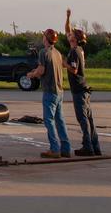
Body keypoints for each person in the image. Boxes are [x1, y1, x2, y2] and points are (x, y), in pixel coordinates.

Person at [27, 28, 72, 158]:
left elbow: (41, 70)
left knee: (49, 121)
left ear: (46, 38)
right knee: (60, 120)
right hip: (59, 91)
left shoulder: (43, 52)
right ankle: (66, 148)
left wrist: (31, 74)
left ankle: (54, 149)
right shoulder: (57, 53)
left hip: (49, 91)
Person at [65, 9, 101, 157]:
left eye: (72, 35)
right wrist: (68, 17)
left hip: (79, 89)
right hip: (84, 88)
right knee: (89, 119)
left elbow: (74, 70)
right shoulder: (79, 49)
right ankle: (95, 146)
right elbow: (67, 29)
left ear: (75, 39)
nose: (69, 35)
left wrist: (63, 63)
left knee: (83, 118)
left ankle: (88, 147)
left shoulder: (74, 52)